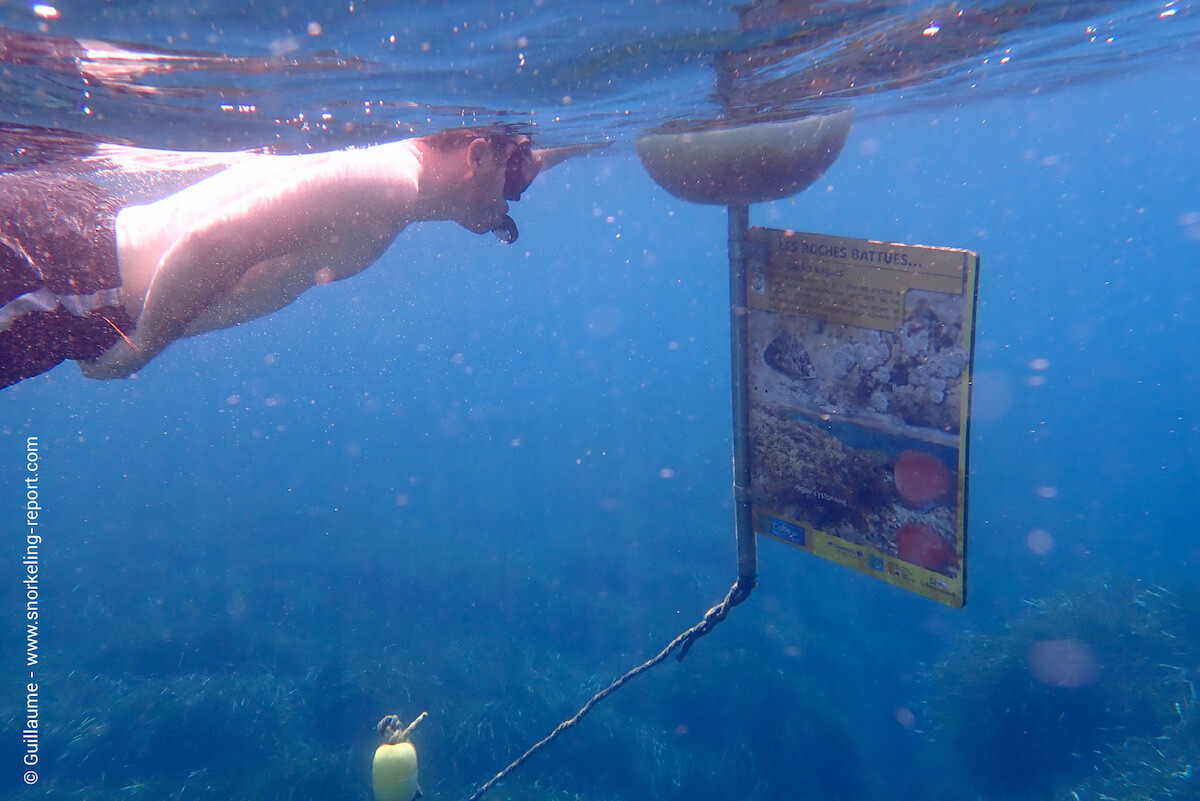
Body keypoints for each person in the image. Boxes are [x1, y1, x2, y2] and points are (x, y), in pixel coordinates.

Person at [0, 129, 584, 389]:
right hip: (71, 277)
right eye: (522, 175)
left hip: (76, 266)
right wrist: (142, 346)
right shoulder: (388, 184)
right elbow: (216, 243)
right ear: (478, 155)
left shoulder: (392, 187)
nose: (522, 192)